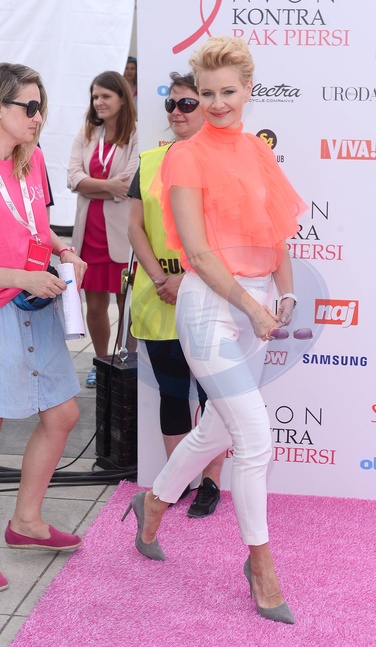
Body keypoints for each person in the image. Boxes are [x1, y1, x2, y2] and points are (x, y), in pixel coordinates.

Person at [122, 36, 307, 623]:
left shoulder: (256, 151)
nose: (217, 103)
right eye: (206, 94)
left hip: (256, 303)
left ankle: (153, 503)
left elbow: (276, 233)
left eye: (228, 91)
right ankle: (261, 566)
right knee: (254, 437)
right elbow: (199, 255)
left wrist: (285, 293)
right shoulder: (186, 156)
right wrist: (252, 308)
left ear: (249, 90)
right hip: (209, 307)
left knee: (216, 430)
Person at [0, 63, 88, 591]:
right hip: (10, 298)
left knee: (63, 413)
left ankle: (26, 523)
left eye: (41, 107)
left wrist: (64, 250)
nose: (38, 117)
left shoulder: (31, 161)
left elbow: (39, 226)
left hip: (35, 303)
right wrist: (20, 276)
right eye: (28, 107)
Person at [128, 72, 225, 518]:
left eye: (187, 104)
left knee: (212, 396)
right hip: (156, 297)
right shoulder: (149, 160)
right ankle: (176, 481)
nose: (176, 112)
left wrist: (186, 279)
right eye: (172, 103)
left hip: (205, 294)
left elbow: (224, 234)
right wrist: (160, 278)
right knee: (171, 392)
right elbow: (135, 227)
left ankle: (210, 483)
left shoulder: (220, 163)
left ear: (206, 108)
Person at [68, 71, 138, 388]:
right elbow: (72, 178)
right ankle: (101, 362)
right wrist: (108, 187)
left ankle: (126, 361)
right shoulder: (86, 133)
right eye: (95, 96)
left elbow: (128, 184)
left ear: (122, 98)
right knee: (95, 307)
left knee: (127, 305)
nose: (99, 102)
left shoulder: (136, 134)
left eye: (106, 96)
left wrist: (91, 187)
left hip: (122, 234)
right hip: (89, 233)